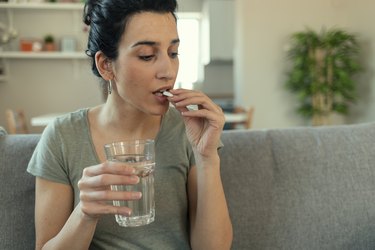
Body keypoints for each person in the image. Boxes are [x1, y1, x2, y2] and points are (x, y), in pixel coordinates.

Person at [27, 0, 233, 249]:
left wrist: (207, 158)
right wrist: (85, 214)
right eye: (147, 56)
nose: (168, 71)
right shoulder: (62, 136)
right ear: (106, 65)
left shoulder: (188, 132)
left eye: (173, 53)